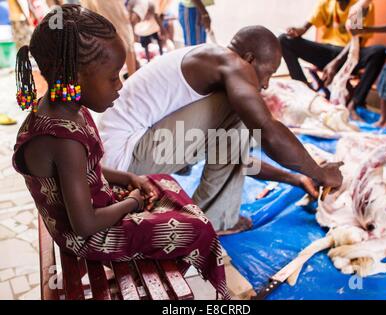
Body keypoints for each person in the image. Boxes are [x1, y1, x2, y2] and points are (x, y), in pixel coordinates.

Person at [12, 4, 229, 299]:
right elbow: (86, 224)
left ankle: (152, 252)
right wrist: (132, 203)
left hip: (92, 213)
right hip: (90, 237)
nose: (119, 86)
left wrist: (127, 178)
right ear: (76, 77)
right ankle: (188, 283)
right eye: (113, 77)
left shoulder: (65, 108)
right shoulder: (63, 139)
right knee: (199, 229)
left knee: (163, 180)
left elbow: (88, 170)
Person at [98, 25, 344, 235]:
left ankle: (216, 215)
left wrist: (297, 177)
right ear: (248, 59)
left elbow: (231, 157)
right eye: (268, 72)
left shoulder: (212, 62)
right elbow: (269, 132)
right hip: (125, 160)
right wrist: (320, 173)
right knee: (245, 110)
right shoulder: (231, 65)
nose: (267, 83)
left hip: (120, 160)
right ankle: (214, 220)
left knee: (243, 113)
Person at [280, 0, 386, 119]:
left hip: (351, 53)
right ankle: (304, 91)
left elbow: (356, 39)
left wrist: (336, 62)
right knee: (284, 40)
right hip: (326, 51)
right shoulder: (326, 3)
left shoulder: (360, 6)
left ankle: (355, 102)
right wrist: (298, 30)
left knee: (379, 52)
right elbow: (305, 26)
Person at [80, 0, 138, 77]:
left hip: (119, 19)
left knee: (127, 45)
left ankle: (131, 78)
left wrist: (137, 11)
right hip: (102, 26)